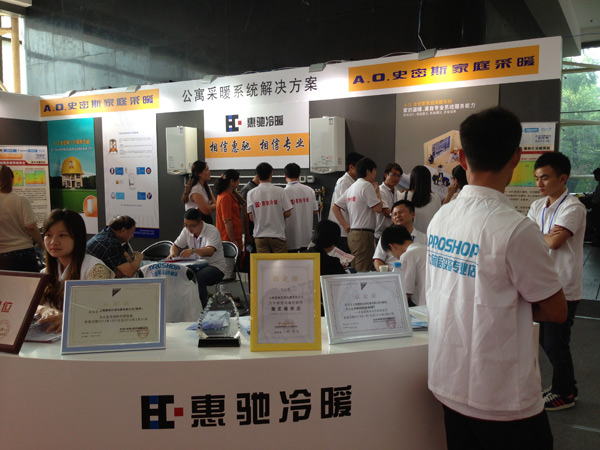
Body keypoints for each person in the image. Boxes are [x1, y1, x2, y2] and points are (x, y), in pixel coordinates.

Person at [426, 107, 567, 449]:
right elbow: (556, 310)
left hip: (448, 381)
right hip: (502, 397)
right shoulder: (516, 228)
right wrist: (504, 304)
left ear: (462, 157)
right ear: (517, 157)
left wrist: (497, 299)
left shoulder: (442, 217)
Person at [527, 151, 586, 411]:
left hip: (564, 286)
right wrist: (545, 235)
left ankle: (566, 392)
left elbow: (555, 242)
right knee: (544, 340)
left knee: (556, 343)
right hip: (541, 282)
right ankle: (563, 386)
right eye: (537, 178)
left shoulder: (573, 207)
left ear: (563, 178)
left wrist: (540, 236)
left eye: (545, 178)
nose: (539, 183)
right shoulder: (537, 206)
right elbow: (530, 239)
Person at [37, 209, 114, 333]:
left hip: (86, 333)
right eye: (48, 235)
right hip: (52, 334)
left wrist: (67, 317)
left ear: (77, 238)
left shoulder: (95, 269)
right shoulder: (46, 271)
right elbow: (31, 305)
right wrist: (43, 310)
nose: (53, 242)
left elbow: (98, 309)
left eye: (62, 235)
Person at [332, 157, 382, 272]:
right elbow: (378, 208)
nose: (375, 174)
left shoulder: (352, 187)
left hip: (353, 234)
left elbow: (335, 207)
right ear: (368, 171)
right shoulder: (366, 186)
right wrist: (377, 192)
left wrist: (345, 225)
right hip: (364, 235)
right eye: (374, 171)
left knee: (354, 269)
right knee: (362, 270)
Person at [169, 208, 226, 308]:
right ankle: (183, 307)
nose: (189, 228)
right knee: (178, 273)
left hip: (215, 266)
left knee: (198, 278)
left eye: (192, 226)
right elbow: (175, 246)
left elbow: (210, 251)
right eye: (186, 225)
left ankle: (201, 309)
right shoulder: (186, 230)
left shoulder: (212, 231)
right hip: (196, 266)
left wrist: (193, 250)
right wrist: (172, 254)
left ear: (200, 223)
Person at [0, 165, 44, 272]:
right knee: (30, 283)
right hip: (23, 252)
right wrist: (42, 244)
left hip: (2, 256)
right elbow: (31, 227)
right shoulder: (20, 200)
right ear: (11, 179)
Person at [246, 162, 293, 253]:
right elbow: (288, 213)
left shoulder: (251, 193)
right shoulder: (280, 191)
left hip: (260, 236)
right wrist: (277, 216)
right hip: (278, 236)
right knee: (281, 262)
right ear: (271, 174)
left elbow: (251, 218)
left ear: (257, 175)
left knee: (264, 262)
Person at [304, 219, 346, 316]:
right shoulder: (333, 263)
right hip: (325, 312)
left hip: (302, 309)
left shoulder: (300, 258)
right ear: (333, 243)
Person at [380, 224, 426, 306]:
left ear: (392, 246)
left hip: (422, 306)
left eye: (390, 252)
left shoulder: (407, 256)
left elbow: (405, 292)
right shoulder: (426, 248)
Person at [373, 200, 426, 271]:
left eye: (401, 212)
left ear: (412, 214)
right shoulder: (387, 236)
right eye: (394, 214)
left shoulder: (425, 238)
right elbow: (378, 259)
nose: (397, 216)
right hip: (392, 274)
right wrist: (385, 275)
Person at [328, 152, 363, 252]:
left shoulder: (352, 181)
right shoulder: (345, 182)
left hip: (346, 229)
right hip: (343, 230)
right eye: (359, 167)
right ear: (351, 167)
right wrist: (346, 225)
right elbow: (343, 206)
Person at [284, 162, 319, 252]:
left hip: (290, 238)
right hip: (306, 237)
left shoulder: (283, 193)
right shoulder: (309, 190)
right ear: (299, 175)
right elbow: (315, 211)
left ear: (285, 175)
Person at [403, 165, 441, 232]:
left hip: (410, 236)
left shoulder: (403, 196)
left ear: (412, 179)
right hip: (429, 236)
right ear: (428, 180)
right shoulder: (436, 198)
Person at [214, 169, 244, 251]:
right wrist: (233, 240)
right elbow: (227, 220)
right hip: (228, 238)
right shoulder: (225, 197)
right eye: (238, 180)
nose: (239, 182)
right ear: (232, 181)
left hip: (233, 235)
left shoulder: (229, 195)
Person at [375, 163, 403, 240]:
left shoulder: (398, 192)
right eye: (393, 175)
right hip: (381, 233)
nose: (396, 178)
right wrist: (400, 216)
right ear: (386, 175)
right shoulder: (380, 190)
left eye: (398, 176)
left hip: (394, 232)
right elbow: (386, 211)